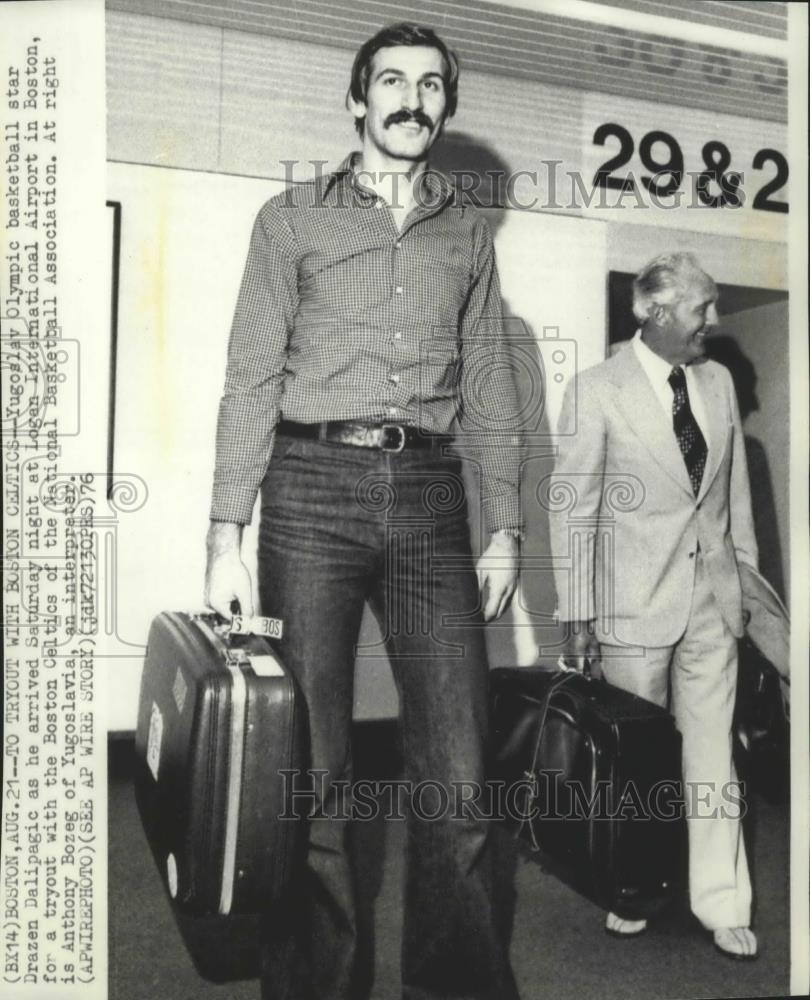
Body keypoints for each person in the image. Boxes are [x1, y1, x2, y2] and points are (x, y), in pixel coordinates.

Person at [204, 22, 523, 1000]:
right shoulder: (290, 219)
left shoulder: (469, 232)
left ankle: (456, 983)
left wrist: (504, 519)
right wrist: (226, 529)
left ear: (446, 108)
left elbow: (493, 384)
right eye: (392, 81)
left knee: (462, 775)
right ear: (358, 101)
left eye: (430, 85)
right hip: (310, 490)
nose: (411, 98)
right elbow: (251, 377)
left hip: (430, 495)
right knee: (314, 772)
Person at [549, 253, 759, 960]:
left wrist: (748, 594)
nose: (715, 322)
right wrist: (576, 614)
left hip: (712, 605)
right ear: (658, 312)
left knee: (713, 758)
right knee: (636, 762)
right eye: (704, 308)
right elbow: (571, 507)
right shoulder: (596, 389)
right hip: (632, 608)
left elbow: (734, 504)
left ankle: (722, 901)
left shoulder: (719, 382)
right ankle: (631, 889)